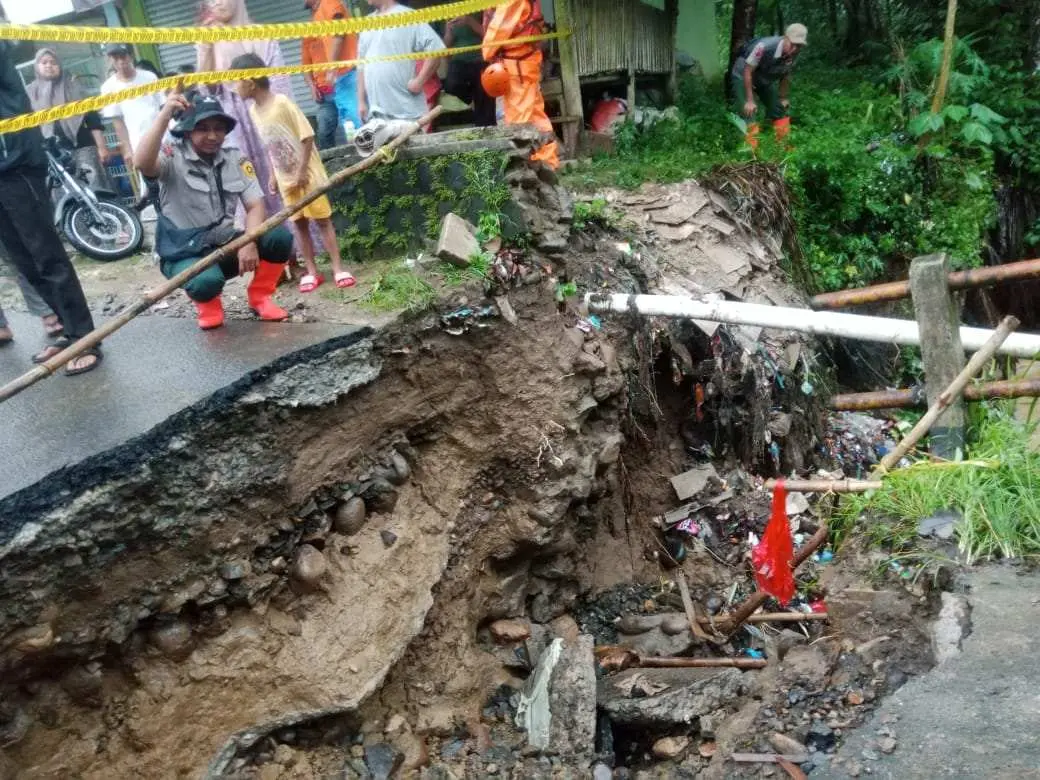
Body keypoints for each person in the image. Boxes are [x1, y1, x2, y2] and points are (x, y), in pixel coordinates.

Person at [136, 91, 293, 330]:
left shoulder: (235, 159)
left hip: (224, 243)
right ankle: (209, 305)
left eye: (218, 128)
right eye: (203, 129)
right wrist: (164, 116)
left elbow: (255, 205)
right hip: (183, 251)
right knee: (206, 282)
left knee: (278, 237)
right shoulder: (171, 155)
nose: (212, 136)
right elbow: (142, 163)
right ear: (188, 130)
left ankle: (260, 297)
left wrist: (248, 242)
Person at [0, 40, 101, 375]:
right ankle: (66, 331)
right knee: (23, 261)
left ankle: (85, 338)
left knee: (46, 256)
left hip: (16, 165)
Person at [232, 53, 356, 293]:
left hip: (307, 174)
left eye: (236, 80)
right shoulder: (254, 112)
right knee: (298, 224)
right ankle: (311, 271)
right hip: (285, 178)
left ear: (250, 82)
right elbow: (270, 146)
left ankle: (338, 268)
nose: (234, 87)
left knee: (322, 220)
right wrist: (272, 175)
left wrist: (301, 171)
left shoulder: (282, 103)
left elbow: (307, 136)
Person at [197, 0, 293, 222]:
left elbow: (280, 86)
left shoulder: (263, 35)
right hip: (233, 126)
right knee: (244, 186)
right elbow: (207, 89)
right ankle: (257, 248)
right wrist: (206, 47)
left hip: (268, 118)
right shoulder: (207, 40)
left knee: (281, 180)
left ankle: (296, 250)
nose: (217, 3)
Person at [482, 0, 560, 169]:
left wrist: (487, 52)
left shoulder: (511, 1)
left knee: (519, 121)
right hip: (527, 63)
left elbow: (496, 34)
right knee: (535, 115)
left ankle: (525, 168)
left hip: (517, 67)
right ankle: (547, 163)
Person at [25, 48, 114, 191]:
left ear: (59, 65)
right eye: (44, 62)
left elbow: (92, 117)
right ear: (37, 66)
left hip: (83, 147)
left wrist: (102, 147)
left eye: (53, 62)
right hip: (54, 155)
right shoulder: (30, 93)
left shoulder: (73, 85)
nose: (49, 65)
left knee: (96, 189)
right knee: (66, 195)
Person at [357, 0, 445, 122]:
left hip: (407, 112)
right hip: (376, 114)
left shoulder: (407, 16)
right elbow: (361, 65)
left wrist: (419, 81)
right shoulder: (366, 23)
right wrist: (361, 101)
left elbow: (436, 48)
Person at [100, 44, 165, 206]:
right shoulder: (108, 87)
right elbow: (117, 121)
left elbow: (163, 106)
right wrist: (127, 149)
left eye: (123, 56)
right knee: (152, 185)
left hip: (163, 136)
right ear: (111, 60)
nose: (121, 61)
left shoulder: (149, 77)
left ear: (131, 56)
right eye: (115, 57)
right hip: (138, 141)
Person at [732, 23, 808, 150]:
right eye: (792, 44)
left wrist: (783, 97)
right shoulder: (764, 47)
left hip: (763, 77)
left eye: (799, 46)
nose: (794, 49)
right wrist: (750, 100)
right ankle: (751, 152)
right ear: (785, 38)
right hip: (743, 74)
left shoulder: (795, 53)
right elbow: (747, 71)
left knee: (778, 108)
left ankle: (783, 147)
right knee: (749, 111)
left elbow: (786, 74)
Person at [301, 0, 361, 149]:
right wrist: (312, 86)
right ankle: (359, 155)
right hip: (333, 83)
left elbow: (339, 32)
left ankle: (366, 154)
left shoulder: (329, 2)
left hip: (345, 74)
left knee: (355, 119)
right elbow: (305, 65)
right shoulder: (313, 25)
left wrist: (332, 67)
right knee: (347, 124)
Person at [443, 14, 495, 127]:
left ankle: (486, 130)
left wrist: (470, 21)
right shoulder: (453, 10)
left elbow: (490, 36)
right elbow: (446, 46)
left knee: (484, 95)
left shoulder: (482, 9)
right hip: (459, 60)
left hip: (480, 58)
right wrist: (448, 30)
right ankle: (470, 102)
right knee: (451, 86)